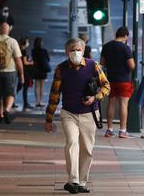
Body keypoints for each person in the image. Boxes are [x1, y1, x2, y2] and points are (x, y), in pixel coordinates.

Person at [45, 37, 110, 194]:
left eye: (78, 49)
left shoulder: (93, 66)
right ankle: (72, 180)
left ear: (83, 49)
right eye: (72, 50)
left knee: (87, 149)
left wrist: (95, 98)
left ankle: (82, 182)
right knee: (72, 143)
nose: (75, 52)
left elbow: (106, 86)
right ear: (67, 52)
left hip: (90, 114)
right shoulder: (61, 69)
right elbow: (54, 95)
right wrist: (49, 119)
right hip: (69, 113)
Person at [100, 27, 136, 138]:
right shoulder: (125, 48)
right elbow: (131, 65)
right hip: (124, 80)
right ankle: (122, 131)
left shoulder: (106, 46)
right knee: (123, 105)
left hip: (110, 79)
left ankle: (109, 130)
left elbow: (102, 63)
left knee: (111, 103)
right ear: (125, 36)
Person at [0, 22, 24, 124]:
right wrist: (21, 75)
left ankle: (0, 115)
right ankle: (7, 110)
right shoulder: (12, 41)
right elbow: (18, 60)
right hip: (10, 72)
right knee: (10, 93)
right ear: (8, 30)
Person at [32, 37, 51, 107]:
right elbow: (48, 59)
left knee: (36, 86)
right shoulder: (44, 51)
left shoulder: (33, 51)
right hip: (43, 70)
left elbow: (33, 59)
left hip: (36, 69)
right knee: (41, 87)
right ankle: (41, 101)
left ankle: (36, 102)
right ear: (41, 43)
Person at [19, 37, 35, 110]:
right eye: (27, 42)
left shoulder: (20, 50)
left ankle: (11, 100)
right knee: (25, 88)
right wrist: (31, 62)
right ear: (25, 43)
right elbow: (25, 62)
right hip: (25, 71)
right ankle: (25, 103)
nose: (28, 43)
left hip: (21, 71)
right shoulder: (24, 51)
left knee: (19, 87)